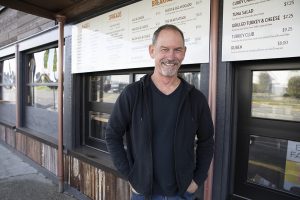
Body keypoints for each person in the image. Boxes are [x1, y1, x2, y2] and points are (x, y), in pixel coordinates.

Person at [105, 24, 214, 200]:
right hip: (143, 193)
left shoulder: (195, 99)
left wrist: (197, 180)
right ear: (152, 50)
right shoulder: (133, 94)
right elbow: (112, 135)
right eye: (164, 49)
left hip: (182, 192)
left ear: (184, 53)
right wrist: (130, 175)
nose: (171, 56)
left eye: (177, 50)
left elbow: (207, 141)